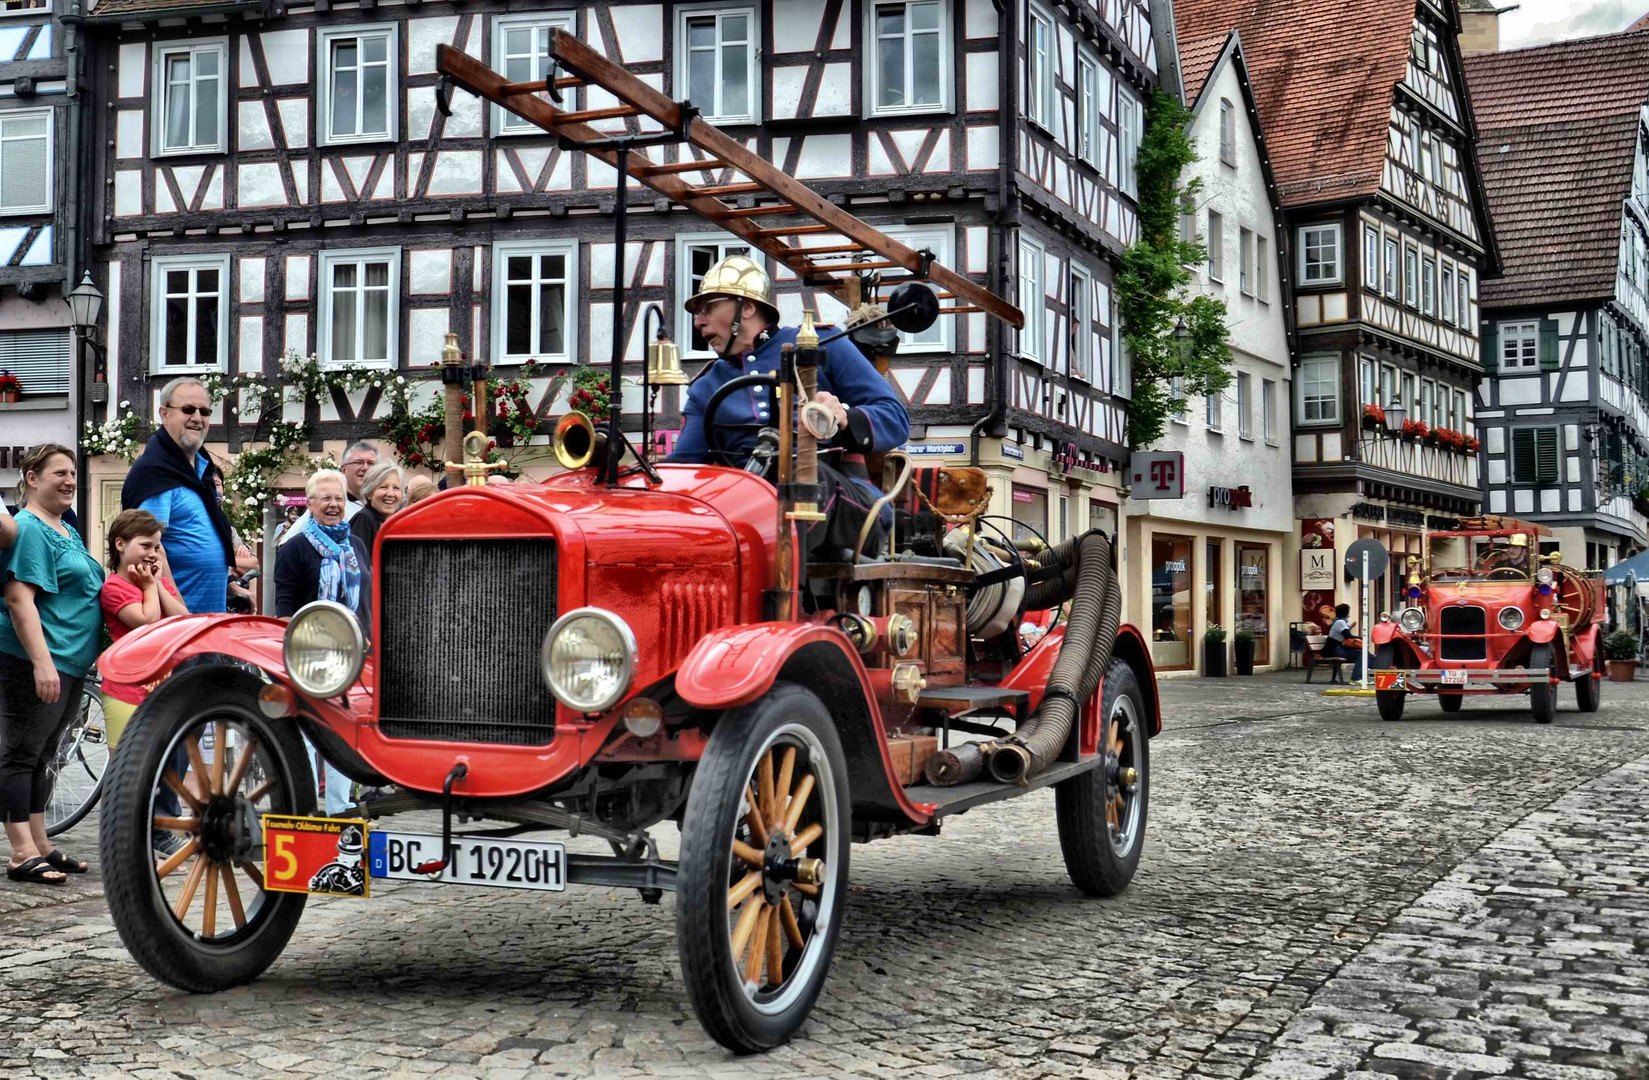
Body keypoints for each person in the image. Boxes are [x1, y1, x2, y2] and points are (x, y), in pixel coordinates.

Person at [666, 256, 909, 558]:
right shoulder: (706, 386)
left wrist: (844, 417)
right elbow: (683, 468)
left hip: (848, 502)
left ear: (748, 307)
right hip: (749, 511)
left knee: (801, 479)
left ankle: (779, 596)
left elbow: (896, 418)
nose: (698, 321)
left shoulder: (824, 343)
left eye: (708, 308)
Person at [0, 445, 103, 885]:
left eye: (73, 473)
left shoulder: (65, 529)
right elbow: (19, 598)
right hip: (35, 659)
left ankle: (41, 843)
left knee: (45, 755)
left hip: (70, 661)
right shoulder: (30, 529)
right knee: (21, 753)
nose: (69, 480)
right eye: (59, 473)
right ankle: (20, 851)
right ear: (32, 478)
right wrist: (42, 664)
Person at [275, 470, 372, 816]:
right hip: (311, 654)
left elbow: (365, 601)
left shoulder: (356, 546)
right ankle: (303, 809)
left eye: (339, 499)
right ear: (310, 504)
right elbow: (284, 606)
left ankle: (339, 810)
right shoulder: (294, 548)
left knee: (344, 732)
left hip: (351, 652)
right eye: (325, 498)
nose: (333, 505)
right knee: (308, 731)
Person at [121, 378, 233, 615]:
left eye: (204, 411)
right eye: (187, 409)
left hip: (206, 621)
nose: (197, 418)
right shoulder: (155, 473)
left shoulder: (202, 468)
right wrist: (179, 609)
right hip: (177, 627)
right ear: (164, 414)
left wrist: (231, 586)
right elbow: (148, 553)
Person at [100, 509, 189, 643]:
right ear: (120, 544)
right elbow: (148, 624)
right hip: (136, 662)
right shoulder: (114, 587)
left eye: (156, 548)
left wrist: (157, 584)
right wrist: (149, 586)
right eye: (146, 546)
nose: (153, 554)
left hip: (168, 661)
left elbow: (185, 620)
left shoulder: (157, 582)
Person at [279, 442, 379, 545]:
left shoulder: (379, 507)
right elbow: (286, 544)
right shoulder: (324, 507)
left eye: (371, 463)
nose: (365, 468)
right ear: (344, 470)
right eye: (359, 462)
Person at [349, 462, 403, 565]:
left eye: (396, 488)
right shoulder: (364, 519)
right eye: (383, 487)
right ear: (369, 493)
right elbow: (359, 566)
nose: (390, 494)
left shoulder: (395, 522)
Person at [1327, 603, 1363, 680]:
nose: (1349, 613)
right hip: (1335, 649)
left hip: (1336, 648)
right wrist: (1361, 637)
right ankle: (1356, 678)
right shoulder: (1340, 622)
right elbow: (1348, 636)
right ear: (1346, 613)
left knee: (1367, 655)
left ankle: (1376, 670)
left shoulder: (1339, 621)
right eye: (1349, 611)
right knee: (1361, 654)